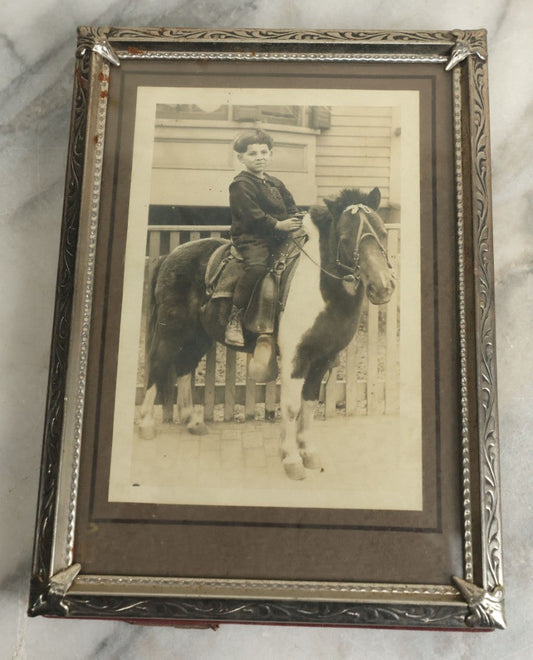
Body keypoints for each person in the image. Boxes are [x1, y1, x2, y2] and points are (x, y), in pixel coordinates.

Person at [225, 129, 303, 347]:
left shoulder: (275, 183)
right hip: (252, 238)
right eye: (252, 154)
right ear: (241, 158)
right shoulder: (241, 184)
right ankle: (235, 317)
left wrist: (296, 219)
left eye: (263, 152)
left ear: (270, 154)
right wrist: (278, 224)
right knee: (258, 268)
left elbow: (290, 205)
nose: (259, 157)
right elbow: (251, 214)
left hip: (280, 236)